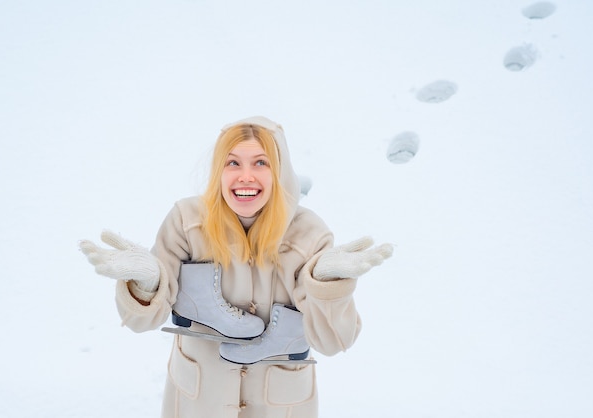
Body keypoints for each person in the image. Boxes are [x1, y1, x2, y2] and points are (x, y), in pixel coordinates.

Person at [79, 116, 393, 418]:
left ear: (280, 171)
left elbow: (333, 342)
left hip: (281, 406)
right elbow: (139, 322)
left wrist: (329, 288)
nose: (245, 176)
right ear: (219, 169)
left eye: (261, 162)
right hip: (198, 401)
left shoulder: (310, 234)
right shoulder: (186, 221)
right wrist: (146, 284)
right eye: (233, 162)